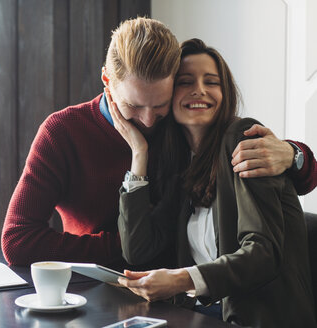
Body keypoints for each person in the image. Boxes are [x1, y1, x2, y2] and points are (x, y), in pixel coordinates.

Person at [1, 17, 317, 268]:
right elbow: (17, 240)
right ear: (107, 81)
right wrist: (126, 245)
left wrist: (293, 154)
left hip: (182, 295)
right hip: (94, 286)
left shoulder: (179, 124)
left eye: (160, 104)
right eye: (134, 107)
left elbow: (299, 180)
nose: (150, 120)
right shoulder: (63, 133)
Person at [116, 38, 316, 327]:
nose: (199, 89)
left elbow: (263, 252)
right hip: (206, 315)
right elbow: (137, 249)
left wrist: (181, 279)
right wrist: (139, 153)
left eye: (212, 82)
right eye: (185, 82)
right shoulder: (183, 165)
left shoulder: (243, 139)